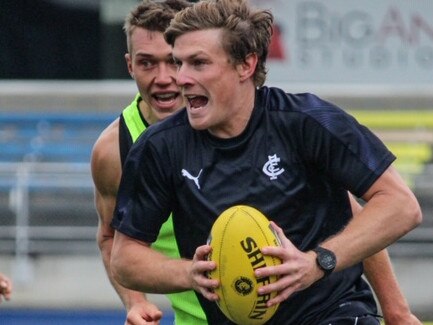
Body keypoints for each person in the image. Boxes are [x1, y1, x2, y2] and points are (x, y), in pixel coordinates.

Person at [111, 0, 422, 324]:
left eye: (199, 63)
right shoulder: (160, 148)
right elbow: (124, 257)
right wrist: (190, 273)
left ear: (246, 65)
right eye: (180, 63)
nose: (182, 78)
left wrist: (318, 262)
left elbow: (401, 205)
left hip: (334, 314)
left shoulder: (308, 122)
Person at [90, 1, 207, 324]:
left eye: (173, 61)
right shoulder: (114, 150)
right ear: (129, 65)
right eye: (147, 63)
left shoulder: (239, 119)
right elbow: (109, 237)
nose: (164, 78)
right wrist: (135, 301)